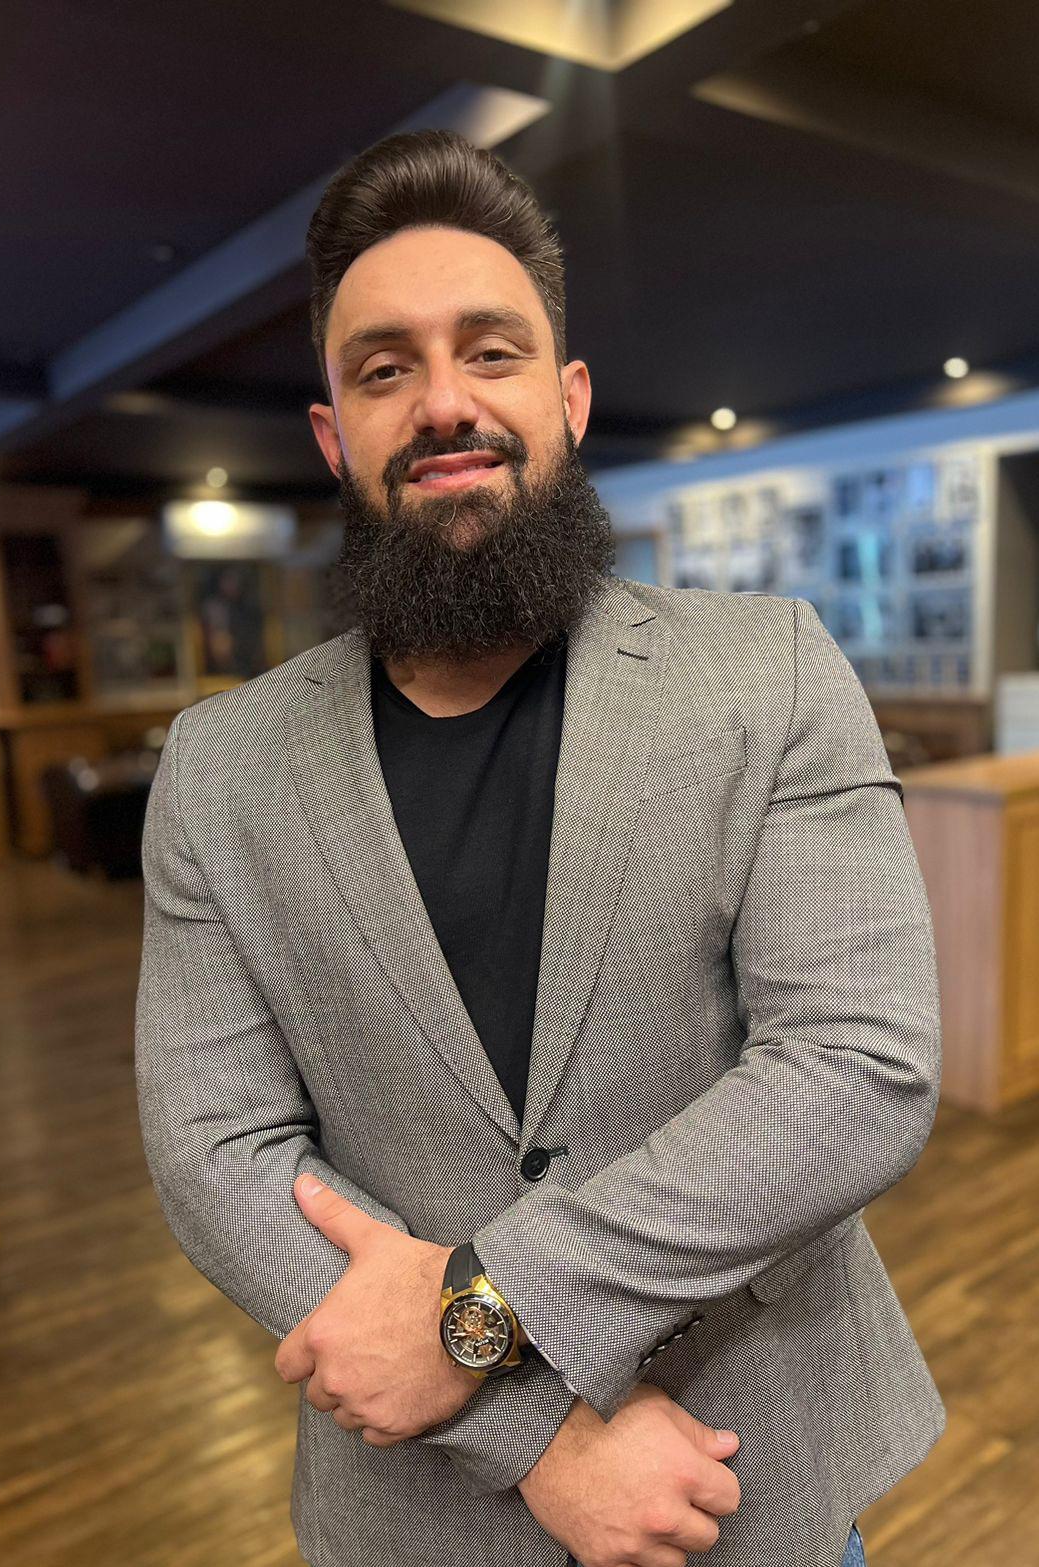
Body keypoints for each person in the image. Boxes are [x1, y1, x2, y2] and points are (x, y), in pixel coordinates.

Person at [134, 129, 945, 1567]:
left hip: (751, 1471)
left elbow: (857, 1067)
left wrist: (482, 1309)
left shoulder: (768, 671)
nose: (444, 401)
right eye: (384, 369)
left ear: (567, 399)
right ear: (333, 436)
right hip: (419, 1515)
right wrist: (541, 1436)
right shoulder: (219, 768)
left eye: (490, 352)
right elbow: (221, 1153)